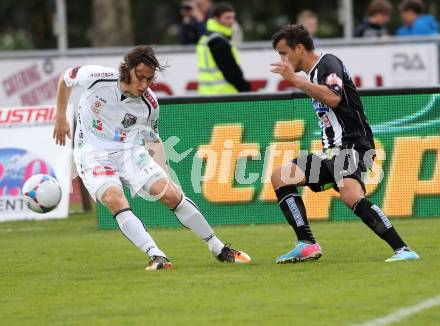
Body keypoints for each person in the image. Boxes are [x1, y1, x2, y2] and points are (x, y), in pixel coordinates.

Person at [53, 45, 251, 271]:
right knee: (114, 197)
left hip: (129, 151)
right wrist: (61, 116)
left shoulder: (149, 104)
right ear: (127, 69)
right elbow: (65, 79)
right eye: (140, 77)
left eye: (149, 79)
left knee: (170, 193)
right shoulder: (97, 77)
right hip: (92, 153)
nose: (144, 85)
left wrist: (165, 175)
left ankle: (218, 247)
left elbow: (152, 140)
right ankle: (156, 255)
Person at [269, 24, 420, 264]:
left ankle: (403, 249)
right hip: (332, 151)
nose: (282, 59)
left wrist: (295, 80)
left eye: (283, 52)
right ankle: (307, 244)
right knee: (281, 176)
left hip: (354, 145)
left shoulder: (327, 63)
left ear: (299, 48)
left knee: (350, 195)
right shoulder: (313, 74)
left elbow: (333, 97)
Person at [196, 2, 250, 95]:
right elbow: (231, 72)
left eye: (233, 17)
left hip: (206, 94)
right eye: (227, 17)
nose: (231, 21)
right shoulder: (218, 41)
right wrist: (245, 88)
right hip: (224, 94)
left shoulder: (205, 38)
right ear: (216, 18)